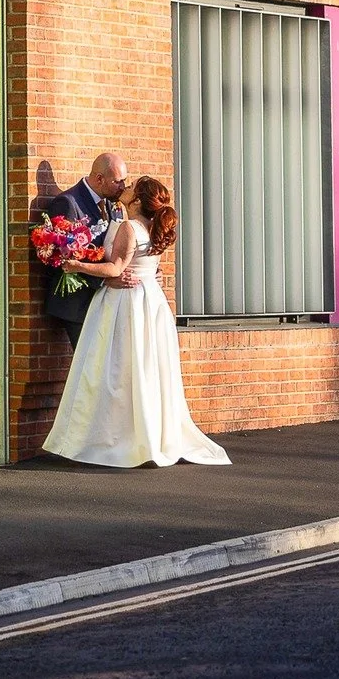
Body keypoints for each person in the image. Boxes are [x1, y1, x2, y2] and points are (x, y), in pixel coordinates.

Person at [43, 175, 230, 468]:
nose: (125, 187)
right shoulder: (147, 226)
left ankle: (118, 439)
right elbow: (145, 265)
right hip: (150, 303)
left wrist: (75, 264)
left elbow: (116, 266)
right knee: (143, 371)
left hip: (125, 305)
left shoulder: (130, 227)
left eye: (130, 187)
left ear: (139, 200)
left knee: (115, 371)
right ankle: (146, 435)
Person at [41, 153, 138, 346]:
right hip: (78, 304)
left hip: (106, 303)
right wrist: (105, 279)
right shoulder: (68, 203)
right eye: (118, 181)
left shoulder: (114, 204)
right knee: (89, 367)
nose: (122, 187)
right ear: (99, 178)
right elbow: (62, 259)